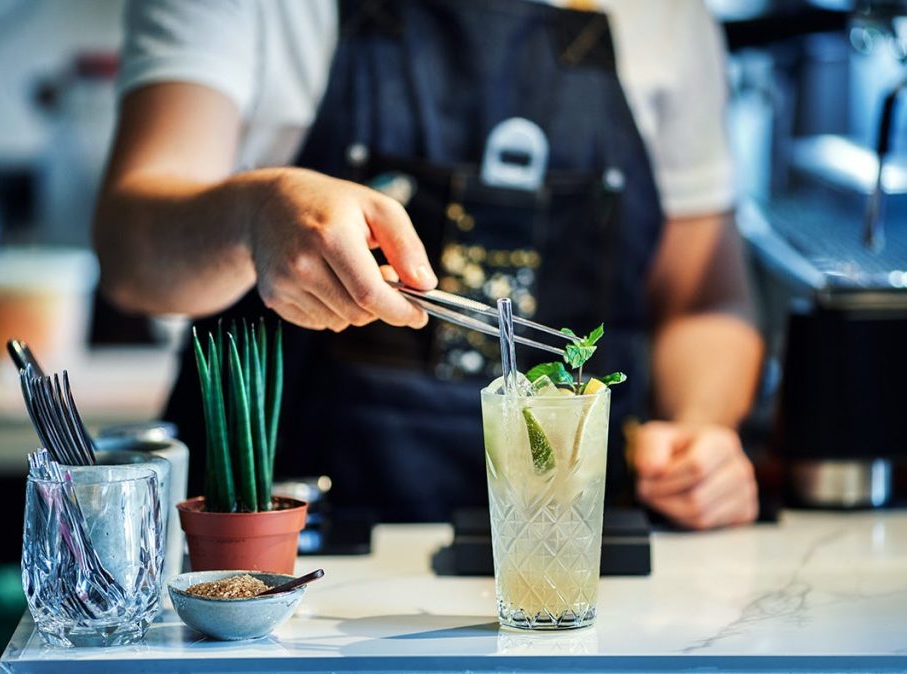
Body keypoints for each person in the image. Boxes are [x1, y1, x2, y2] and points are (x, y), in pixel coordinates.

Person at [94, 0, 764, 528]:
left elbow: (705, 299)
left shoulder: (668, 14)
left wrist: (702, 432)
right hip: (278, 560)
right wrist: (252, 214)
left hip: (577, 560)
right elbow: (132, 252)